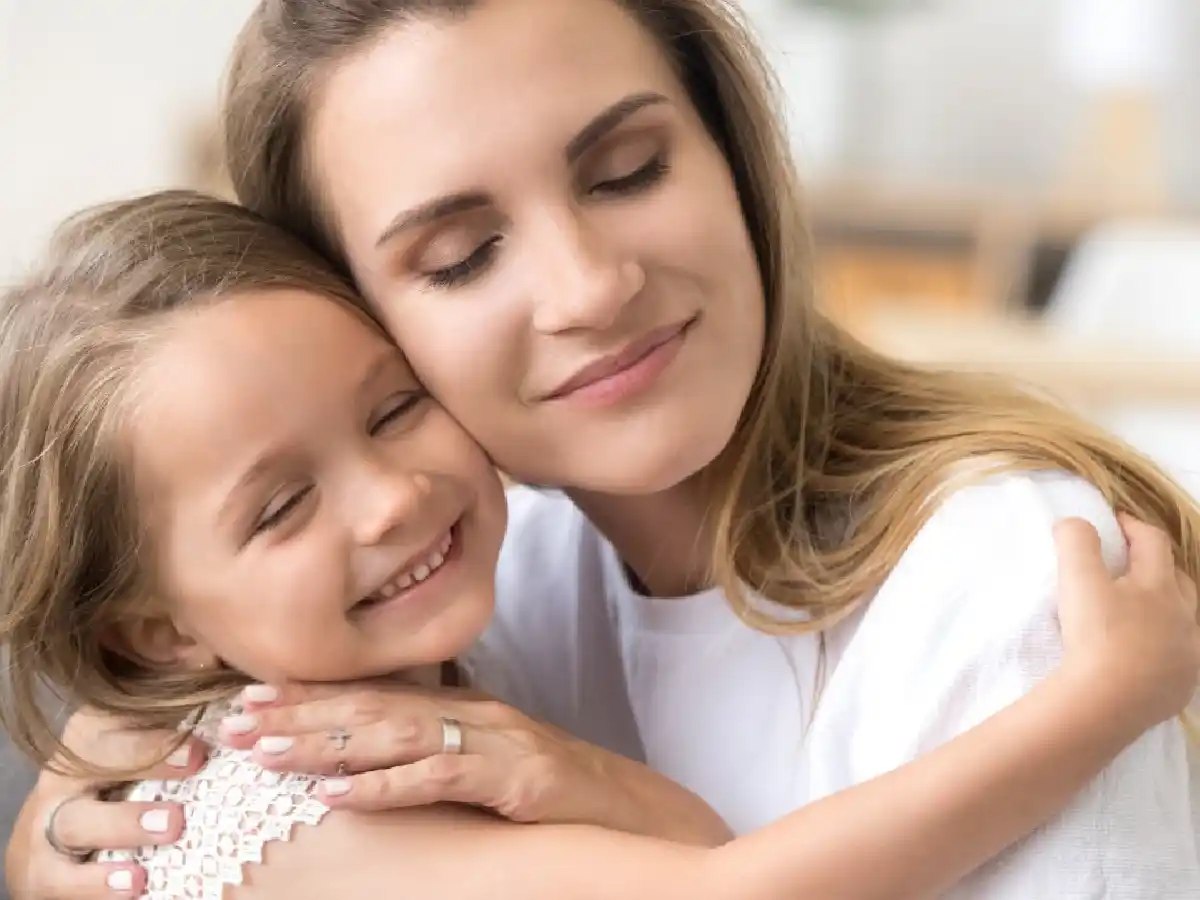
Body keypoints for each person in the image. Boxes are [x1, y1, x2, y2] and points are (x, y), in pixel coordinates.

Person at [9, 0, 1200, 896]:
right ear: (358, 309)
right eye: (461, 256)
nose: (592, 287)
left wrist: (1099, 697)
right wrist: (61, 806)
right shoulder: (483, 596)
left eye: (628, 171)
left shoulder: (1015, 586)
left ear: (733, 151)